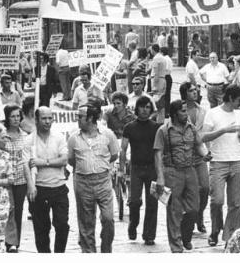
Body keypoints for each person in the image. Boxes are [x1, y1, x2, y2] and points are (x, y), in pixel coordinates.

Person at [154, 99, 207, 252]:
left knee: (194, 209)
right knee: (174, 210)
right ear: (175, 113)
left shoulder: (192, 128)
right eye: (183, 111)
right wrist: (160, 177)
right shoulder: (163, 131)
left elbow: (198, 145)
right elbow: (157, 155)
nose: (186, 113)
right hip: (172, 171)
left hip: (190, 170)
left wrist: (205, 154)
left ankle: (185, 236)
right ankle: (176, 246)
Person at [67, 99, 119, 253]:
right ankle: (89, 252)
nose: (77, 120)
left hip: (103, 181)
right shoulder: (73, 138)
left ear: (90, 118)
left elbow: (114, 155)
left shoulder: (107, 134)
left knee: (108, 219)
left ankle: (106, 248)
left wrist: (100, 166)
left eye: (80, 117)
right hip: (83, 182)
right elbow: (71, 160)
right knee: (86, 222)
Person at [202, 84, 240, 247]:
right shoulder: (213, 113)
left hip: (236, 160)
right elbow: (203, 137)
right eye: (239, 100)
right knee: (217, 200)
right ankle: (215, 229)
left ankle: (231, 235)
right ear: (230, 98)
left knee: (235, 203)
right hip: (218, 161)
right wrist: (224, 130)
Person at [25, 106, 70, 253]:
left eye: (50, 118)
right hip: (40, 188)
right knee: (41, 229)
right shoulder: (29, 140)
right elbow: (26, 165)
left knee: (62, 225)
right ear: (36, 120)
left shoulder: (59, 137)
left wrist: (43, 162)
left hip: (59, 187)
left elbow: (64, 160)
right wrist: (31, 186)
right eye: (44, 118)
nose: (47, 121)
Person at [121, 95, 160, 245]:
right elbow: (123, 149)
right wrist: (122, 170)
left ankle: (149, 234)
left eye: (148, 107)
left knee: (152, 202)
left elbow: (160, 151)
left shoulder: (156, 128)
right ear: (137, 108)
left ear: (151, 109)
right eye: (142, 107)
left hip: (152, 169)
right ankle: (133, 223)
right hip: (135, 168)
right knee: (134, 201)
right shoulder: (129, 127)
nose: (145, 110)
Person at [179, 81, 210, 234]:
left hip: (200, 155)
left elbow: (206, 131)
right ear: (185, 93)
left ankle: (200, 214)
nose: (195, 92)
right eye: (191, 90)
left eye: (196, 90)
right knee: (189, 190)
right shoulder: (179, 110)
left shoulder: (202, 111)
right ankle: (188, 218)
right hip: (184, 156)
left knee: (205, 188)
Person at [1, 104, 28, 253]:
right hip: (5, 179)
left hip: (21, 179)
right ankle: (9, 241)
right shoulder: (1, 135)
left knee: (18, 210)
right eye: (13, 116)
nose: (16, 119)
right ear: (7, 118)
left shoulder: (25, 135)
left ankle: (15, 241)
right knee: (8, 209)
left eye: (18, 116)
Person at [149, 44, 166, 123]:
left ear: (153, 50)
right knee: (161, 100)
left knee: (156, 101)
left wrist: (154, 86)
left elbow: (155, 72)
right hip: (163, 79)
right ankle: (161, 120)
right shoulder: (163, 58)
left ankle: (157, 121)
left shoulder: (156, 59)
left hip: (157, 80)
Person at [161, 46, 173, 116]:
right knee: (167, 95)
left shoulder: (164, 59)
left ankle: (166, 111)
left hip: (165, 76)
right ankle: (167, 110)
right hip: (168, 76)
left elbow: (165, 69)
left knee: (165, 95)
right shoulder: (169, 58)